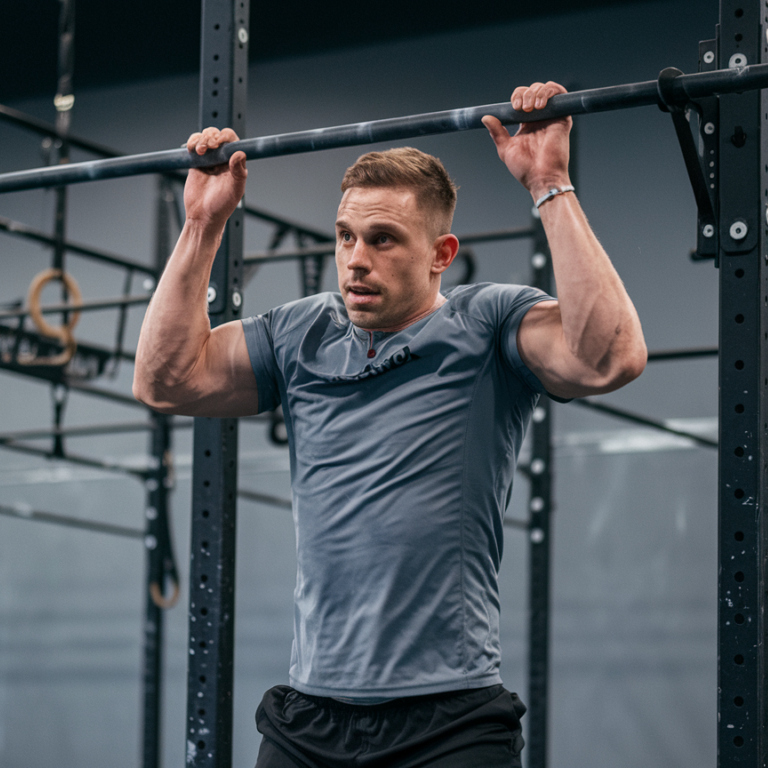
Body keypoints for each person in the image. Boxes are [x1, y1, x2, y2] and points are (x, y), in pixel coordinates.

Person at [134, 81, 647, 768]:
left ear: (441, 253)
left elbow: (609, 357)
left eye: (382, 240)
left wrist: (550, 185)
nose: (355, 259)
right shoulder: (299, 333)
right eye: (346, 237)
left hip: (449, 720)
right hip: (309, 715)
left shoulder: (486, 323)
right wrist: (202, 224)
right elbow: (165, 380)